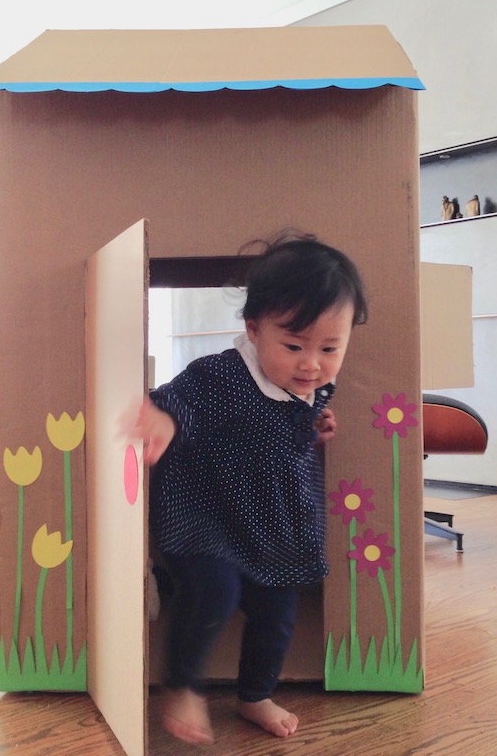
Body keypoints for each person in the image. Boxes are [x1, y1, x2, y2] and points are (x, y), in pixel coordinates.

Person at [131, 233, 368, 745]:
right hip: (206, 516)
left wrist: (316, 428)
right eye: (294, 346)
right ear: (254, 329)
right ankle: (183, 687)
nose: (312, 364)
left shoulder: (316, 385)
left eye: (331, 348)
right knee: (214, 593)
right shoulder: (223, 375)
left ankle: (254, 693)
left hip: (272, 521)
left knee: (278, 612)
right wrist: (166, 423)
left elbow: (287, 425)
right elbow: (175, 400)